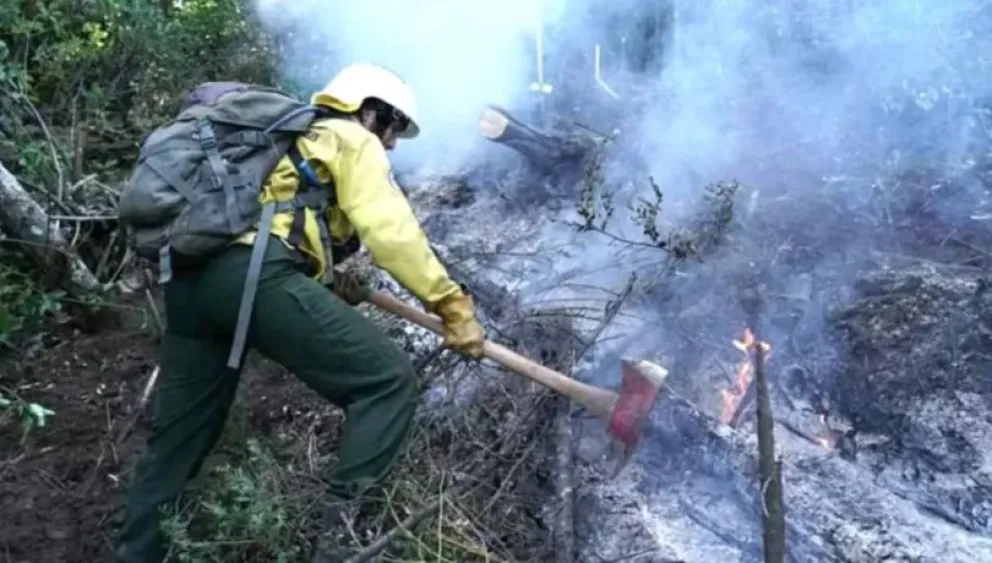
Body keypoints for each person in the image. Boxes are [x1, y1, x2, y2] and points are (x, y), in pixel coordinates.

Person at [114, 63, 487, 562]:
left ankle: (137, 554)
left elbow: (280, 220)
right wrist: (449, 302)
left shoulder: (288, 140)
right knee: (388, 382)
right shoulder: (349, 137)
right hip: (250, 277)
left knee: (177, 440)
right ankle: (342, 550)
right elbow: (391, 232)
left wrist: (328, 277)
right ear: (371, 111)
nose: (393, 144)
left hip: (186, 284)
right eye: (394, 127)